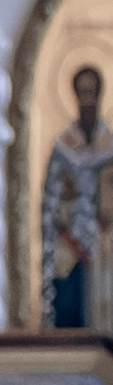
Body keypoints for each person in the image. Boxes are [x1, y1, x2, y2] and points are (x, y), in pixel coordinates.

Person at [43, 65, 113, 326]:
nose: (87, 100)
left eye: (92, 93)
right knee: (72, 311)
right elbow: (50, 204)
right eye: (82, 93)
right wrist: (65, 225)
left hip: (106, 247)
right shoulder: (63, 150)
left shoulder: (110, 147)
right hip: (70, 248)